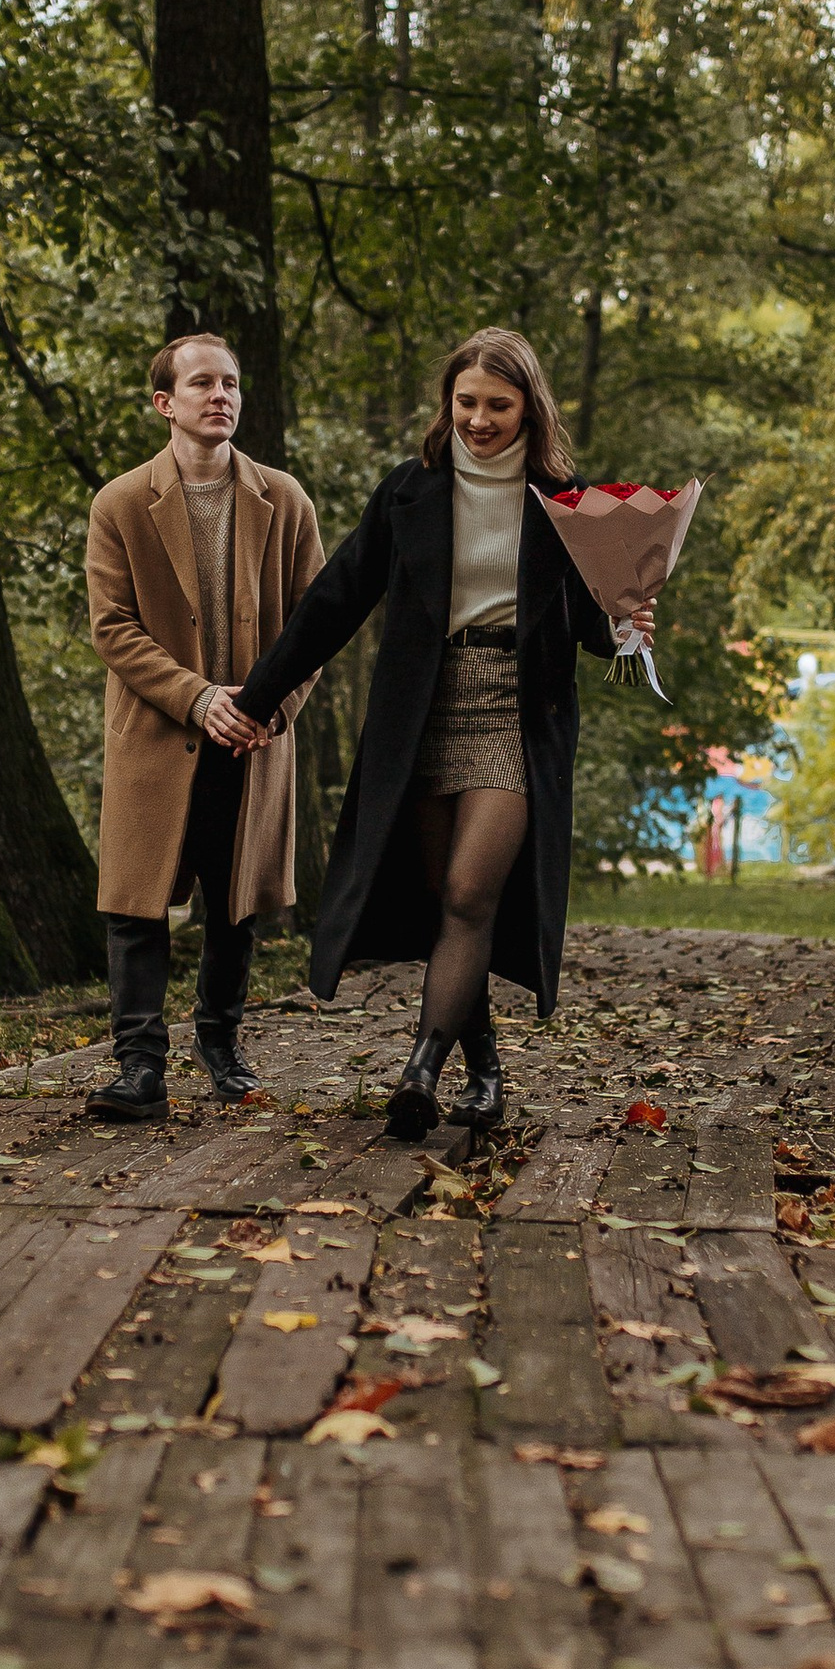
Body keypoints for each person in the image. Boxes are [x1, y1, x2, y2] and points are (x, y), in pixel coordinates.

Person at [230, 324, 649, 1140]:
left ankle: (420, 1068)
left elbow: (593, 625)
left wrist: (628, 623)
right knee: (444, 903)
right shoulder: (409, 490)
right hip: (422, 709)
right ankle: (484, 1071)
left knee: (468, 891)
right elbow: (336, 599)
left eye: (499, 404)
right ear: (447, 402)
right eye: (467, 402)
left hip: (515, 711)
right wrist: (258, 696)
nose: (480, 420)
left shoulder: (568, 501)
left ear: (530, 408)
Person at [83, 331, 324, 1122]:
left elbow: (316, 624)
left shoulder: (285, 500)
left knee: (236, 897)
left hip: (253, 736)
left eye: (231, 383)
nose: (221, 395)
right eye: (202, 384)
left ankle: (221, 1045)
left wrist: (270, 707)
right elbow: (113, 628)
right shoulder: (121, 503)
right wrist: (196, 697)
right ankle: (139, 1065)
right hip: (157, 731)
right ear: (165, 402)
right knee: (136, 901)